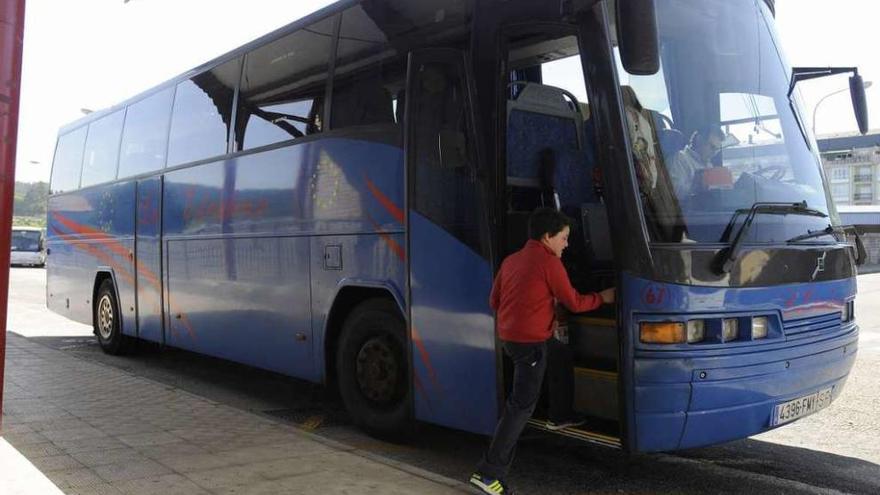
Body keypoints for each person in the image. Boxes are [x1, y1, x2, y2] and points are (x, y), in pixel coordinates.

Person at [469, 207, 615, 495]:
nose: (567, 244)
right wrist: (604, 297)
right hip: (530, 344)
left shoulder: (512, 260)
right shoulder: (549, 263)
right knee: (520, 407)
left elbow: (494, 300)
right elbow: (574, 302)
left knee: (560, 355)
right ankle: (487, 474)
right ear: (547, 237)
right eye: (564, 237)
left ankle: (559, 415)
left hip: (512, 337)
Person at [667, 126, 725, 198]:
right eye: (712, 147)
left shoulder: (709, 164)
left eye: (717, 149)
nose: (714, 153)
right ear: (699, 140)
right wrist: (695, 187)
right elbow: (673, 192)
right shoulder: (680, 158)